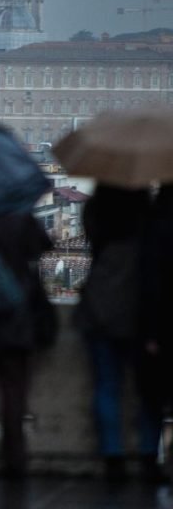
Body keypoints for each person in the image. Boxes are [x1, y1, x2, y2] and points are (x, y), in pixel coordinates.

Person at [77, 184, 161, 483]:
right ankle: (149, 456)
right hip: (138, 314)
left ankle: (113, 458)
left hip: (98, 308)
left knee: (106, 386)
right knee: (148, 391)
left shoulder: (94, 212)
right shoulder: (148, 218)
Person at [0, 213, 53, 479]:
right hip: (20, 314)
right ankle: (14, 456)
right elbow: (44, 245)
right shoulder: (19, 215)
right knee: (15, 392)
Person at [142, 184, 173, 483]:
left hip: (160, 329)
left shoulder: (155, 228)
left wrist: (150, 332)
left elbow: (150, 285)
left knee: (153, 400)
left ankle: (150, 460)